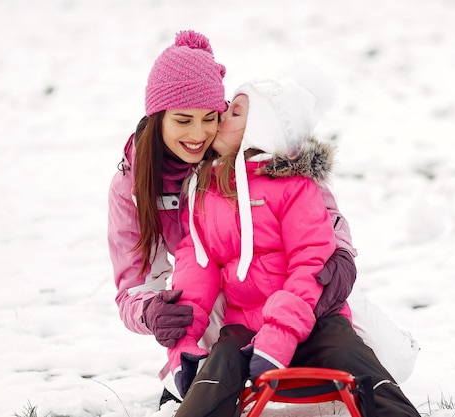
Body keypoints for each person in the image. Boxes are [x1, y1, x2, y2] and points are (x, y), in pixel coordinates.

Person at [107, 30, 369, 405]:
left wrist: (341, 255)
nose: (199, 134)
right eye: (183, 121)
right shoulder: (131, 186)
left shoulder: (239, 147)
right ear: (157, 117)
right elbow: (131, 284)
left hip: (282, 293)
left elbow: (317, 211)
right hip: (209, 311)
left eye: (210, 117)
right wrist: (150, 311)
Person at [168, 76, 421, 417]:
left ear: (262, 128)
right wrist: (183, 341)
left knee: (353, 356)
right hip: (244, 327)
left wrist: (281, 334)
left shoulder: (294, 186)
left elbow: (310, 262)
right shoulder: (207, 190)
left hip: (313, 321)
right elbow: (196, 267)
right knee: (221, 360)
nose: (222, 115)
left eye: (236, 112)